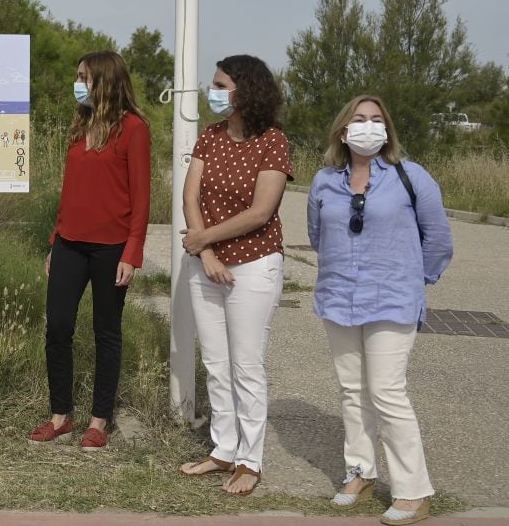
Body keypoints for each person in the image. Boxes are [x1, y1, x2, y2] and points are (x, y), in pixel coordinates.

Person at [307, 95, 452, 526]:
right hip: (338, 299)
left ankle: (413, 490)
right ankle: (360, 473)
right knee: (352, 390)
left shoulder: (411, 177)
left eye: (376, 119)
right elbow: (318, 236)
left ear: (387, 129)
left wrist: (411, 281)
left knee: (387, 392)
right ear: (342, 130)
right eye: (359, 119)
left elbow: (439, 239)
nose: (368, 126)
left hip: (393, 300)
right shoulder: (324, 181)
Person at [178, 54, 292, 495]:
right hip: (204, 263)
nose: (215, 91)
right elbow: (191, 196)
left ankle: (251, 460)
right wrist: (205, 252)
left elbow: (261, 212)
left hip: (254, 263)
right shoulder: (210, 137)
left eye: (221, 84)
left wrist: (205, 240)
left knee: (246, 363)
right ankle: (223, 449)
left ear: (246, 90)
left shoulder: (273, 142)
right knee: (215, 363)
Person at [28, 51, 152, 452]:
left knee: (106, 332)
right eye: (77, 76)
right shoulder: (79, 127)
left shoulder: (134, 129)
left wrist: (132, 253)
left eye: (84, 77)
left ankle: (100, 421)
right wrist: (54, 241)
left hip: (112, 248)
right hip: (69, 243)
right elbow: (71, 193)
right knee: (58, 327)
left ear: (105, 81)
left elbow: (141, 198)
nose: (78, 84)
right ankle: (61, 416)